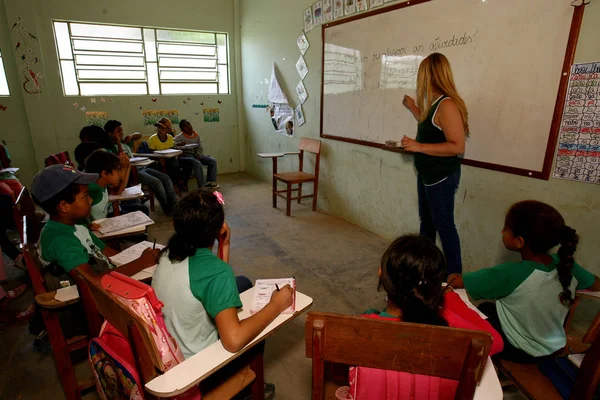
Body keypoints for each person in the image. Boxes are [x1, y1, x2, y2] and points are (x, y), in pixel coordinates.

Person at [350, 235, 503, 398]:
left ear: (382, 273)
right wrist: (449, 300)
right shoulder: (446, 324)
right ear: (435, 288)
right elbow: (495, 342)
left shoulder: (363, 326)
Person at [448, 200, 600, 363]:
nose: (502, 231)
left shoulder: (509, 273)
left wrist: (452, 276)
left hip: (520, 351)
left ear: (519, 241)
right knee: (490, 308)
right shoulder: (568, 266)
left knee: (483, 309)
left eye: (505, 229)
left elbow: (457, 283)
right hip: (553, 346)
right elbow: (596, 284)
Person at [152, 190, 293, 358]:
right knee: (257, 323)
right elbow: (234, 341)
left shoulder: (168, 253)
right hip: (198, 366)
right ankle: (253, 377)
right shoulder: (215, 271)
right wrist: (276, 305)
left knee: (243, 283)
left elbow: (217, 284)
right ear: (219, 227)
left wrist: (224, 246)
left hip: (171, 350)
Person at [402, 53, 468, 276]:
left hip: (440, 177)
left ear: (430, 76)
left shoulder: (447, 105)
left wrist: (418, 147)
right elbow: (431, 127)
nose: (419, 80)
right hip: (427, 174)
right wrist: (413, 108)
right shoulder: (434, 104)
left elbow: (457, 146)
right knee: (427, 224)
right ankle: (423, 267)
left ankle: (454, 277)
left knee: (444, 227)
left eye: (421, 75)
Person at [31, 164, 159, 281]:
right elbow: (91, 282)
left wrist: (136, 259)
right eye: (86, 196)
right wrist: (140, 263)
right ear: (64, 206)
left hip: (105, 273)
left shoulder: (77, 225)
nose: (91, 200)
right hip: (97, 295)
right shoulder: (62, 241)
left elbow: (104, 251)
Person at [104, 120, 177, 215]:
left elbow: (138, 134)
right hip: (133, 172)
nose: (122, 133)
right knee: (157, 182)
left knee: (166, 178)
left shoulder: (125, 142)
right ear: (110, 134)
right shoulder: (110, 148)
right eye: (119, 131)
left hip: (142, 167)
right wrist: (118, 143)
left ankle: (174, 207)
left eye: (122, 131)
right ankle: (168, 209)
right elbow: (122, 158)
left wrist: (131, 136)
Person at [84, 150, 149, 220]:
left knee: (142, 209)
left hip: (107, 216)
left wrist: (127, 166)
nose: (120, 175)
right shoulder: (93, 189)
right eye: (118, 170)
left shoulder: (102, 185)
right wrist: (124, 168)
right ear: (104, 173)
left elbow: (119, 191)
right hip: (100, 224)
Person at [175, 119, 220, 189]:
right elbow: (172, 145)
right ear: (182, 129)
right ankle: (202, 185)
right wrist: (179, 145)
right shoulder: (179, 137)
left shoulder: (196, 135)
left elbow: (200, 148)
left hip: (196, 154)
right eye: (186, 126)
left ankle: (211, 182)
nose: (189, 127)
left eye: (189, 124)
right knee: (197, 163)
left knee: (212, 161)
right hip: (186, 156)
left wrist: (199, 154)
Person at [148, 118, 184, 192]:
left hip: (169, 158)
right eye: (159, 128)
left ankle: (177, 184)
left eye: (163, 128)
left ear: (168, 130)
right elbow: (151, 154)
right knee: (170, 164)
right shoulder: (153, 138)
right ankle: (174, 185)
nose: (160, 130)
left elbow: (172, 149)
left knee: (179, 163)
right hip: (157, 160)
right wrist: (160, 158)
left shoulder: (170, 138)